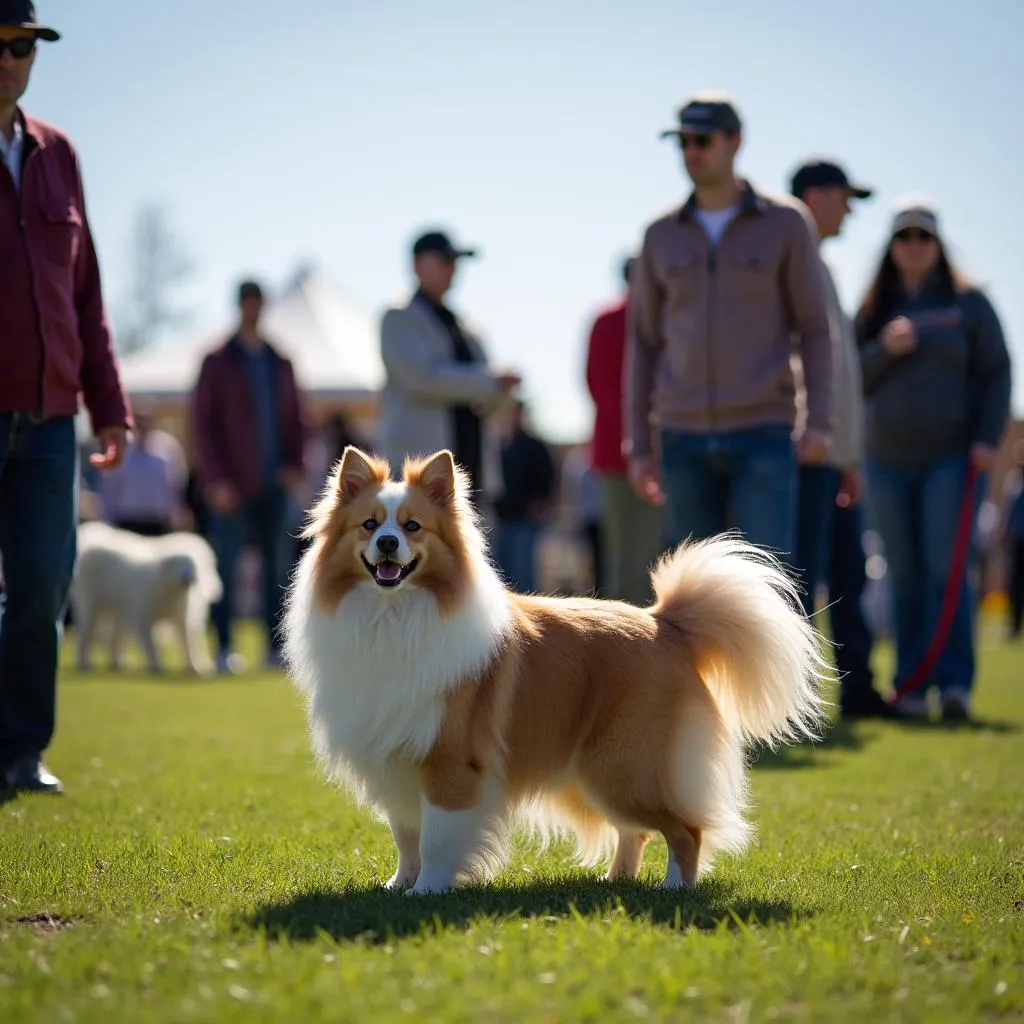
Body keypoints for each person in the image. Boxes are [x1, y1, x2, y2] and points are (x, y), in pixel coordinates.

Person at [0, 2, 132, 795]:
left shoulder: (60, 155)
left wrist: (108, 405)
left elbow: (86, 296)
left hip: (52, 422)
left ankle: (19, 752)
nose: (11, 59)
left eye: (24, 46)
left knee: (44, 584)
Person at [627, 93, 834, 564]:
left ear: (735, 142)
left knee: (771, 585)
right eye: (682, 142)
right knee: (698, 600)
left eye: (702, 140)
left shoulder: (786, 223)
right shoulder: (659, 234)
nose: (691, 152)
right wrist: (639, 446)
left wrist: (819, 420)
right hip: (681, 439)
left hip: (764, 431)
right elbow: (642, 342)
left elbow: (815, 328)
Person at [855, 199, 1012, 719]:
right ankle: (912, 683)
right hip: (886, 461)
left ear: (939, 244)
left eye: (924, 237)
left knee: (947, 570)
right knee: (903, 575)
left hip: (950, 458)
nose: (915, 246)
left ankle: (954, 685)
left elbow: (997, 372)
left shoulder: (969, 304)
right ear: (891, 247)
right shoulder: (875, 308)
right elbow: (851, 377)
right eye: (905, 238)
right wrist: (883, 349)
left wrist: (987, 437)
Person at [789, 159, 902, 719]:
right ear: (815, 195)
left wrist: (849, 456)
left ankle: (858, 692)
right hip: (807, 454)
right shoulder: (791, 264)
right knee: (802, 579)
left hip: (833, 458)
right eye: (844, 197)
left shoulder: (822, 266)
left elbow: (841, 372)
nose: (851, 210)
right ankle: (797, 708)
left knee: (848, 577)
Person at [191, 280, 310, 673]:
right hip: (231, 487)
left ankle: (274, 648)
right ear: (239, 306)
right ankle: (224, 647)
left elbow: (297, 419)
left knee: (277, 569)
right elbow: (202, 425)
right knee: (224, 568)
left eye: (258, 303)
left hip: (275, 484)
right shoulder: (217, 360)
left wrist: (296, 465)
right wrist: (215, 480)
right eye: (247, 303)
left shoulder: (280, 361)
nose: (252, 310)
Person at [378, 230, 520, 506]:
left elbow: (490, 401)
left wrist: (501, 389)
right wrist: (491, 381)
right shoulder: (398, 317)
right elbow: (421, 379)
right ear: (417, 265)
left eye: (454, 262)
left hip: (469, 472)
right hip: (417, 476)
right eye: (444, 260)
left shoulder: (465, 327)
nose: (452, 269)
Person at [585, 256, 665, 605]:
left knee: (622, 555)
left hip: (613, 452)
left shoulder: (605, 320)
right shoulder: (656, 321)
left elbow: (591, 382)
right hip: (649, 453)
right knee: (647, 555)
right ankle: (634, 642)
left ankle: (624, 636)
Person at [97, 401, 188, 536]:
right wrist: (107, 518)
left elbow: (176, 482)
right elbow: (110, 486)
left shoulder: (167, 447)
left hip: (158, 520)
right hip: (127, 519)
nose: (143, 426)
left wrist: (177, 511)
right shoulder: (121, 449)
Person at [493, 400, 557, 593]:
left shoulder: (535, 446)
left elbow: (548, 477)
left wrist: (541, 503)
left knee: (523, 572)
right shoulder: (500, 446)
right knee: (502, 570)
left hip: (526, 519)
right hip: (502, 518)